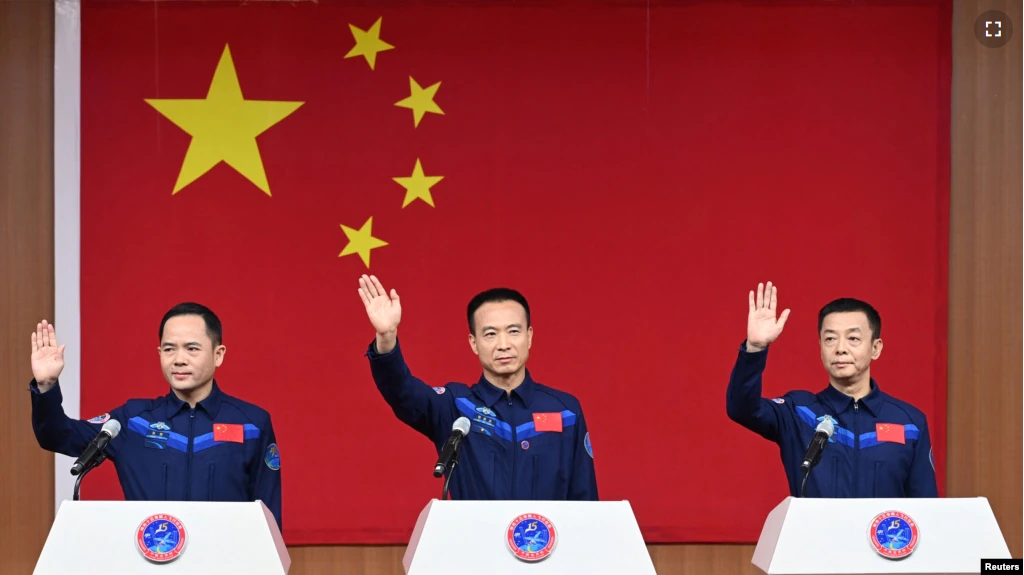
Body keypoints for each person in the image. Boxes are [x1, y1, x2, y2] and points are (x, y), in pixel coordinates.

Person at [29, 303, 283, 530]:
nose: (179, 359)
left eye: (192, 349)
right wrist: (46, 385)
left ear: (218, 354)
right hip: (150, 561)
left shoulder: (252, 424)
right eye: (169, 349)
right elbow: (57, 435)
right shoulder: (133, 421)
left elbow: (268, 519)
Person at [358, 274, 598, 500]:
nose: (503, 344)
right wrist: (387, 337)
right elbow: (403, 392)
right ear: (474, 343)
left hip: (547, 543)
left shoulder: (565, 411)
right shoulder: (456, 407)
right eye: (490, 334)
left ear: (529, 336)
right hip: (475, 543)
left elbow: (585, 498)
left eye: (513, 331)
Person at [726, 281, 938, 498]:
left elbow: (926, 508)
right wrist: (755, 349)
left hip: (880, 533)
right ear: (820, 347)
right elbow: (741, 408)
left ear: (875, 348)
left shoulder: (909, 423)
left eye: (853, 338)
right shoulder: (799, 412)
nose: (840, 349)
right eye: (830, 339)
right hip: (816, 533)